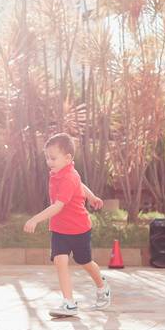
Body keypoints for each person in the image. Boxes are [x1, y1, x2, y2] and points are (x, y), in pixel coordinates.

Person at [24, 133, 111, 317]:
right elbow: (81, 184)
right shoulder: (60, 173)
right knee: (60, 261)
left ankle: (102, 287)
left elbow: (58, 206)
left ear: (68, 158)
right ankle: (69, 303)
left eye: (53, 158)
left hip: (79, 229)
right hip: (59, 230)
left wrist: (35, 219)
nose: (49, 161)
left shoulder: (69, 177)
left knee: (85, 262)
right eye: (47, 157)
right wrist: (91, 196)